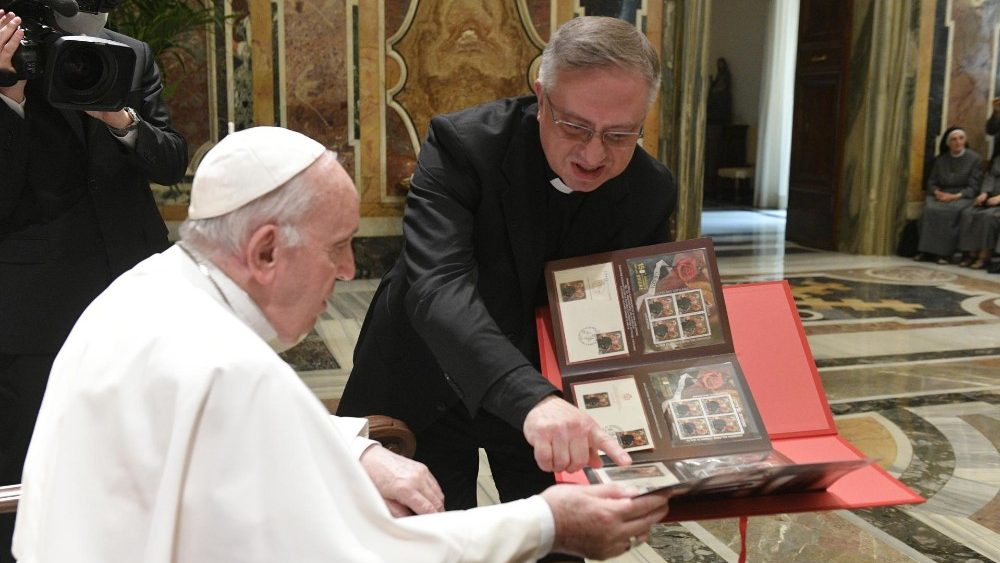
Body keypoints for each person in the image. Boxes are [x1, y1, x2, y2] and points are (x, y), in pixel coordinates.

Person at [11, 126, 670, 562]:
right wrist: (548, 522)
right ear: (265, 248)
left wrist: (355, 449)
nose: (353, 271)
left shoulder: (146, 289)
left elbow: (236, 434)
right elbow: (371, 553)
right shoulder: (225, 365)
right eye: (337, 246)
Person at [337, 17, 677, 558]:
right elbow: (438, 288)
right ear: (541, 97)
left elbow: (627, 320)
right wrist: (531, 398)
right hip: (426, 374)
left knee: (558, 541)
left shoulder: (649, 191)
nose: (593, 155)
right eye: (575, 127)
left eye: (619, 135)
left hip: (551, 399)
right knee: (421, 543)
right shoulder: (463, 145)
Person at [0, 6, 187, 561]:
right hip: (35, 305)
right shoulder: (7, 62)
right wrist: (10, 97)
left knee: (138, 448)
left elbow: (171, 160)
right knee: (32, 459)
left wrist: (120, 117)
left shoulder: (126, 53)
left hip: (135, 283)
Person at [914, 127, 982, 264]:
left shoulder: (975, 159)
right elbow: (932, 182)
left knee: (949, 212)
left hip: (962, 196)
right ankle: (927, 251)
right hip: (941, 193)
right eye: (953, 139)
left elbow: (973, 187)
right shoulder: (940, 160)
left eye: (961, 138)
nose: (958, 142)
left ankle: (944, 253)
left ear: (965, 140)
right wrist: (937, 192)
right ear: (948, 143)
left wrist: (955, 196)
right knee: (930, 209)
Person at [957, 156, 1000, 269]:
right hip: (990, 198)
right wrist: (984, 193)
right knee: (968, 213)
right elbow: (990, 176)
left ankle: (984, 255)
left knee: (987, 216)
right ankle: (970, 253)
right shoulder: (998, 159)